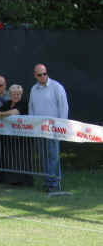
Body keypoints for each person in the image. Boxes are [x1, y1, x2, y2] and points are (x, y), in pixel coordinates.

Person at [28, 64, 69, 192]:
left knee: (53, 156)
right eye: (40, 74)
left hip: (54, 129)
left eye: (44, 73)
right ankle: (48, 181)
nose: (43, 76)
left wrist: (62, 126)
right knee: (43, 156)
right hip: (39, 129)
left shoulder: (57, 87)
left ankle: (54, 183)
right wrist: (32, 125)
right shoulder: (33, 89)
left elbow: (63, 107)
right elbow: (31, 108)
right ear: (35, 75)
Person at [0, 84, 34, 186]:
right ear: (10, 94)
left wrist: (1, 114)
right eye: (14, 94)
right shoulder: (7, 103)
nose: (16, 96)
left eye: (19, 94)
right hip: (10, 137)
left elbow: (15, 112)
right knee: (10, 158)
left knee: (21, 158)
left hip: (22, 137)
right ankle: (11, 180)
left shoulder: (24, 103)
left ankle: (24, 180)